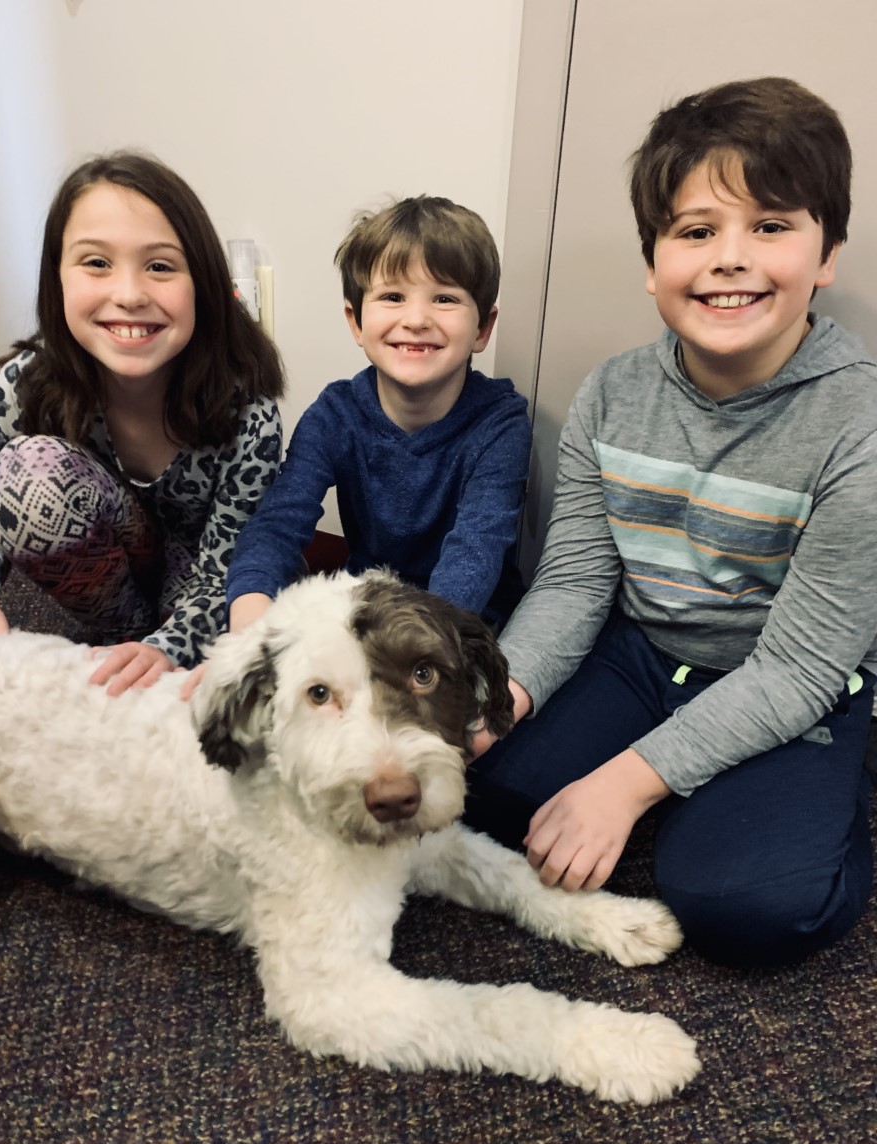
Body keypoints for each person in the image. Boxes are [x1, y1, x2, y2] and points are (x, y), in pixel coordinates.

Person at [466, 77, 877, 968]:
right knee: (474, 789)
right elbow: (574, 580)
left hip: (791, 680)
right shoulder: (614, 392)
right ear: (654, 264)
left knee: (747, 907)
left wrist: (623, 787)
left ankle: (817, 790)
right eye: (697, 231)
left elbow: (802, 667)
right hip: (645, 648)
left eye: (770, 226)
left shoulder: (862, 426)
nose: (731, 258)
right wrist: (502, 697)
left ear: (827, 250)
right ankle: (684, 770)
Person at [0, 151, 284, 695]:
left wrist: (171, 645)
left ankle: (147, 651)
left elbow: (232, 562)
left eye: (160, 266)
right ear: (57, 278)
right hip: (110, 587)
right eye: (96, 263)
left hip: (205, 583)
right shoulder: (25, 385)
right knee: (28, 473)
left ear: (202, 285)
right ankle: (123, 638)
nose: (129, 294)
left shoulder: (246, 409)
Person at [223, 195, 532, 633]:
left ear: (483, 328)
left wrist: (408, 648)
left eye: (444, 298)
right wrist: (249, 612)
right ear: (356, 322)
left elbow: (475, 552)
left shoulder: (501, 423)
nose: (417, 318)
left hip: (467, 624)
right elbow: (280, 521)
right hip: (367, 607)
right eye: (392, 296)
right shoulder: (335, 414)